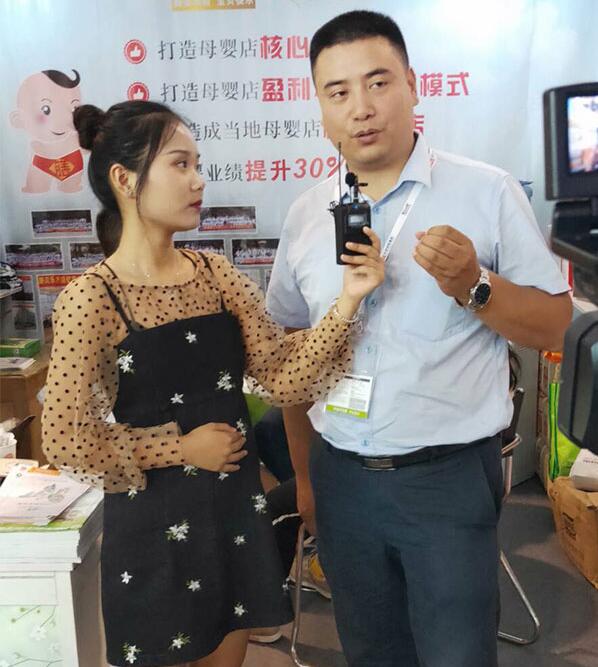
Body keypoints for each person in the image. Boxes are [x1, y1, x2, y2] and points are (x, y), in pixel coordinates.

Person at [266, 10, 573, 667]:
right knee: (370, 651)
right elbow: (291, 355)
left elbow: (554, 324)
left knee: (457, 654)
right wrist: (305, 479)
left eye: (378, 82)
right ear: (320, 108)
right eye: (338, 92)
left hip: (446, 479)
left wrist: (474, 285)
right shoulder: (306, 216)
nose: (361, 107)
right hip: (340, 479)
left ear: (411, 84)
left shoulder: (486, 192)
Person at [41, 99, 384, 667]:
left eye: (198, 164)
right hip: (152, 527)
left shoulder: (217, 275)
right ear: (125, 180)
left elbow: (281, 374)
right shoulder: (91, 299)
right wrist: (180, 447)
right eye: (180, 164)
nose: (199, 180)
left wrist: (348, 301)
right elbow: (65, 438)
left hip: (230, 516)